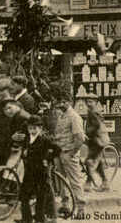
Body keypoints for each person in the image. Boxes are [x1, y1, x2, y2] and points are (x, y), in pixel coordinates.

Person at [17, 114, 60, 223]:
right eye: (30, 128)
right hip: (29, 173)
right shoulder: (27, 139)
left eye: (35, 128)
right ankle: (26, 219)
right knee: (24, 196)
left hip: (40, 173)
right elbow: (25, 151)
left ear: (40, 128)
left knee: (41, 198)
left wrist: (47, 158)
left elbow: (57, 149)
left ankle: (40, 219)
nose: (32, 131)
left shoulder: (44, 139)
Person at [52, 87, 86, 218]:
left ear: (68, 102)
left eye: (63, 101)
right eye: (59, 101)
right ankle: (65, 204)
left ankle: (81, 208)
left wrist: (72, 152)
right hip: (60, 152)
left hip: (68, 153)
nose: (60, 104)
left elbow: (80, 138)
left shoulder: (74, 117)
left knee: (74, 180)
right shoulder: (62, 115)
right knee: (61, 180)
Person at [84, 93, 111, 192]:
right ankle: (105, 183)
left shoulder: (94, 112)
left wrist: (86, 132)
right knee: (97, 162)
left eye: (91, 101)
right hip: (95, 140)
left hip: (97, 141)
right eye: (87, 101)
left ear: (95, 102)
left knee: (89, 162)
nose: (88, 103)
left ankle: (88, 183)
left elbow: (96, 126)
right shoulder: (92, 111)